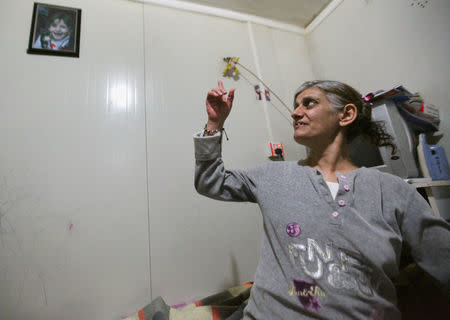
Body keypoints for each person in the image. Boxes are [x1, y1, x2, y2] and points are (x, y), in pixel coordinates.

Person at [193, 80, 450, 319]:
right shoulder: (272, 175)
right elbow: (210, 182)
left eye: (309, 103)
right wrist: (214, 124)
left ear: (346, 115)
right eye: (295, 106)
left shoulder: (394, 191)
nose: (295, 113)